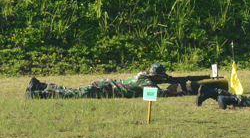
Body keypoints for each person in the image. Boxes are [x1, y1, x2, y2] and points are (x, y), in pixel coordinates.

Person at [26, 63, 169, 99]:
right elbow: (159, 94)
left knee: (72, 91)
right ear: (155, 75)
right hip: (103, 88)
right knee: (73, 94)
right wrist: (177, 90)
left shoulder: (143, 76)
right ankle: (40, 93)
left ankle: (40, 86)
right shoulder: (145, 82)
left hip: (104, 85)